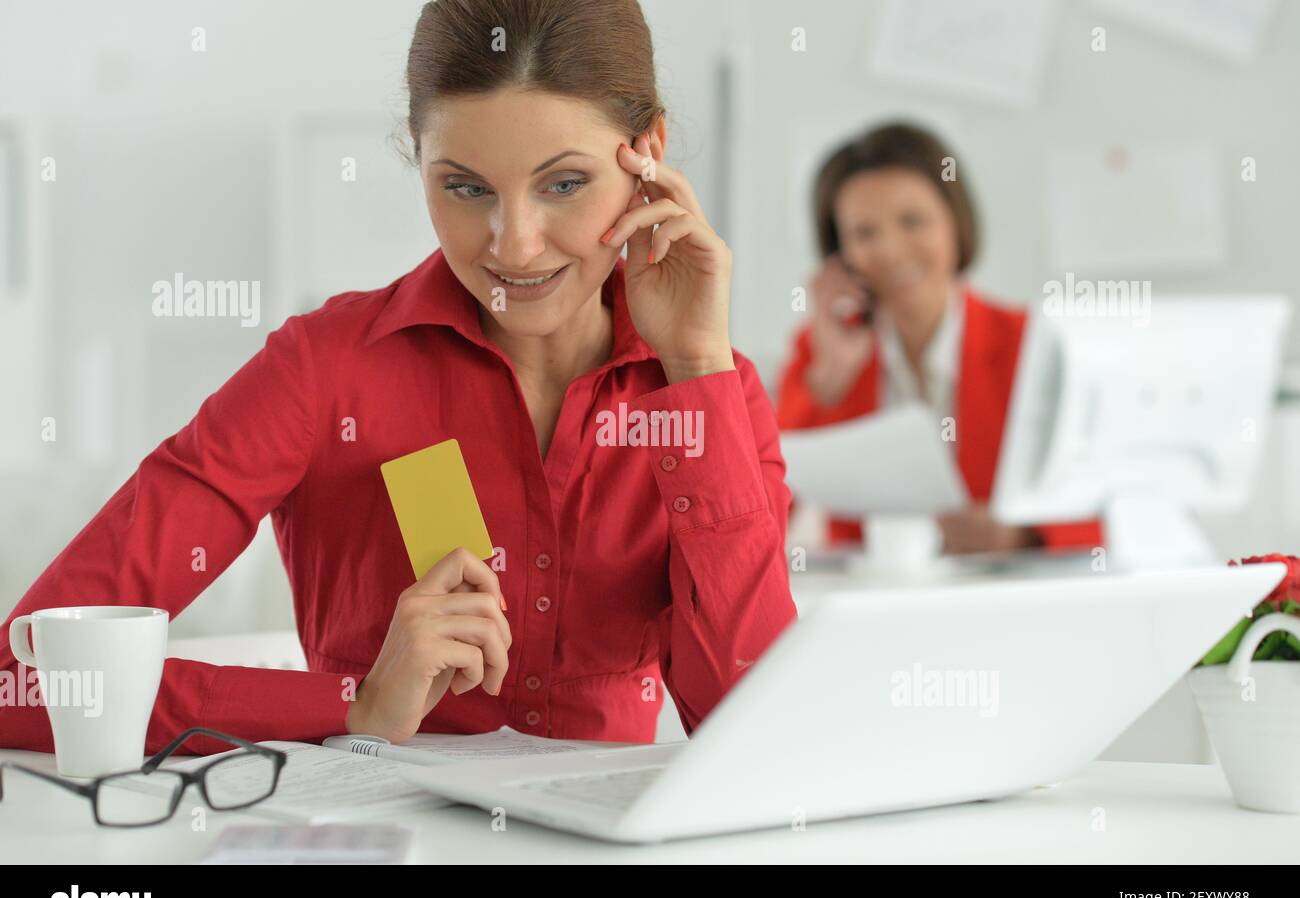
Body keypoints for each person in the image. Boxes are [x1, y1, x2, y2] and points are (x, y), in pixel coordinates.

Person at [0, 0, 797, 757]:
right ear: (418, 162)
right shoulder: (324, 369)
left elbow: (759, 735)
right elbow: (26, 679)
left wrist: (695, 368)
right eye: (465, 187)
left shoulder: (714, 392)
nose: (513, 246)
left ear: (647, 155)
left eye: (563, 184)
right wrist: (352, 708)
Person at [775, 122, 1102, 553]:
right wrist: (829, 377)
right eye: (864, 233)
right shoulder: (820, 353)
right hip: (876, 601)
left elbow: (1107, 507)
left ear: (955, 222)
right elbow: (761, 513)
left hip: (1008, 600)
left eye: (913, 221)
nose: (891, 250)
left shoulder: (1032, 345)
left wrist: (1022, 536)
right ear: (839, 253)